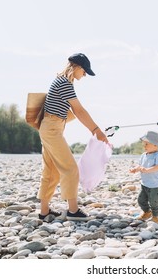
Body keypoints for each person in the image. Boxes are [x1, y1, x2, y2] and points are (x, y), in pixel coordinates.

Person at [37, 53, 109, 222]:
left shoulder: (63, 81)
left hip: (51, 128)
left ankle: (44, 211)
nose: (84, 75)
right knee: (70, 168)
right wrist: (96, 130)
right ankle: (73, 210)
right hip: (52, 129)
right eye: (84, 71)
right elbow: (79, 110)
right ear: (76, 67)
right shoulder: (64, 83)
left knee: (51, 170)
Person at [129, 131, 158, 224]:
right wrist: (135, 169)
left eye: (147, 144)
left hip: (155, 185)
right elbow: (140, 166)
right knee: (141, 200)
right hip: (145, 183)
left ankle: (156, 216)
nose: (144, 146)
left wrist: (147, 170)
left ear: (156, 145)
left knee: (154, 202)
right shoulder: (143, 155)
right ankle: (147, 212)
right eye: (144, 144)